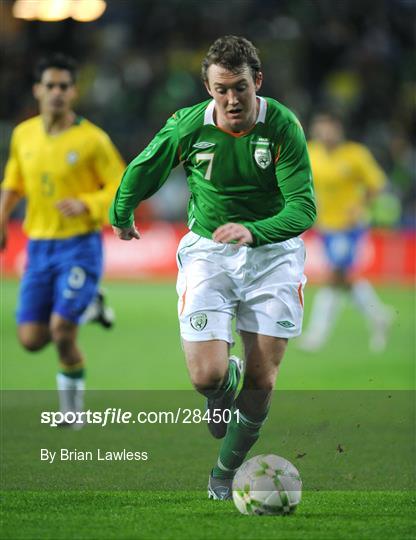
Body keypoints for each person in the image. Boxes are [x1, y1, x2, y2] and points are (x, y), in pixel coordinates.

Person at [110, 35, 316, 499]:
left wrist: (254, 231)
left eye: (240, 87)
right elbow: (144, 168)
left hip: (274, 253)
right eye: (221, 89)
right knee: (207, 377)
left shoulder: (282, 125)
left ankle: (223, 474)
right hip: (209, 251)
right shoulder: (188, 127)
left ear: (256, 82)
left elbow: (303, 208)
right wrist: (122, 215)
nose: (231, 98)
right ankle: (224, 386)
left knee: (262, 383)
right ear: (208, 88)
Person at [0, 53, 125, 421]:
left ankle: (73, 414)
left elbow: (120, 186)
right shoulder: (24, 134)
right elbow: (13, 181)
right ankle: (92, 305)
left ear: (74, 92)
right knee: (32, 339)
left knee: (61, 331)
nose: (57, 92)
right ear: (38, 90)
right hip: (38, 246)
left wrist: (88, 203)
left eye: (64, 86)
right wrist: (2, 215)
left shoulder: (93, 140)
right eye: (50, 85)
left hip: (79, 245)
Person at [299, 112, 393, 352]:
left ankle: (316, 335)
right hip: (325, 226)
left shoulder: (355, 154)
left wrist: (360, 205)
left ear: (338, 128)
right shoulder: (311, 152)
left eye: (328, 128)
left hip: (350, 227)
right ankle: (379, 316)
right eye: (319, 129)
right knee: (345, 280)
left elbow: (377, 184)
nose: (323, 134)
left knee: (334, 276)